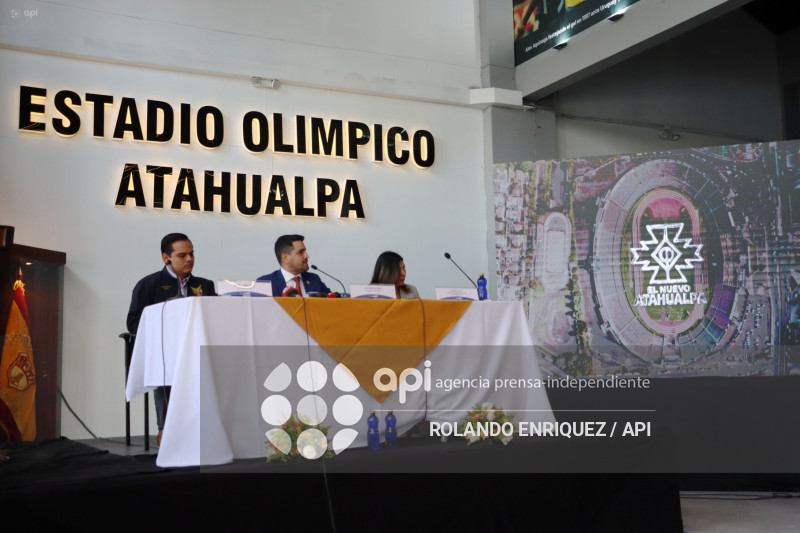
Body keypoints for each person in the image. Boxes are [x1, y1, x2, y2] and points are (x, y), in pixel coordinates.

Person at [126, 232, 217, 445]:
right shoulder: (149, 284)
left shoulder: (205, 285)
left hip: (198, 350)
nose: (189, 259)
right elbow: (133, 322)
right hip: (165, 352)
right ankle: (166, 429)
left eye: (192, 254)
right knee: (166, 368)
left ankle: (203, 430)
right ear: (166, 258)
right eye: (182, 255)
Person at [257, 234, 331, 297]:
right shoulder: (266, 283)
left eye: (305, 251)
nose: (306, 256)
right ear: (285, 258)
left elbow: (332, 302)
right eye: (301, 252)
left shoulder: (314, 279)